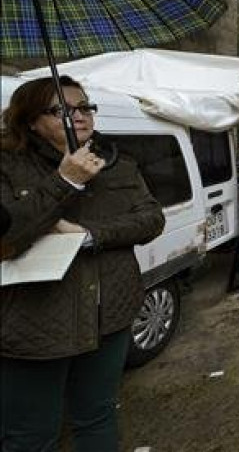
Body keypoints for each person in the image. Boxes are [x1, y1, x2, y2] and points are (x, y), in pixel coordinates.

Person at [0, 76, 165, 451]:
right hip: (37, 323)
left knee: (98, 416)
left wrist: (89, 234)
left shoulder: (118, 163)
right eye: (61, 110)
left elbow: (151, 219)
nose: (79, 116)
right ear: (30, 121)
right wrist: (65, 181)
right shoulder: (8, 166)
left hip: (111, 313)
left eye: (84, 106)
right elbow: (7, 237)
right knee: (29, 433)